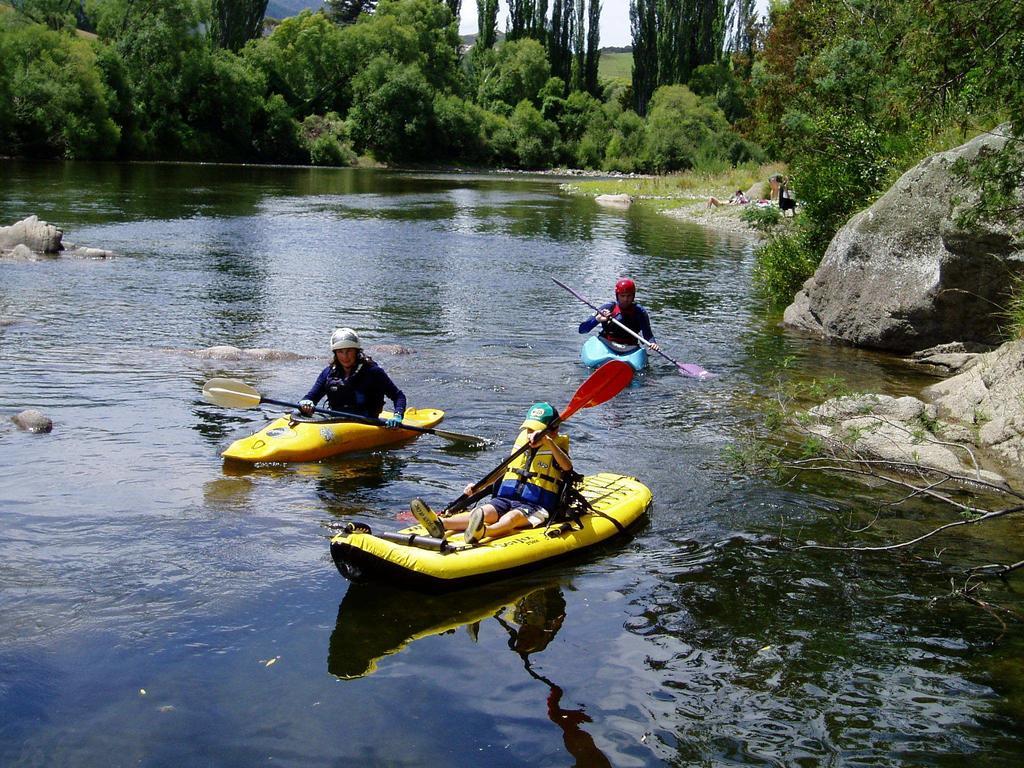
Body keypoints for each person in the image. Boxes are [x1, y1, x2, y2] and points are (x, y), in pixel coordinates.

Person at [410, 402, 572, 544]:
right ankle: (440, 524)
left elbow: (567, 467)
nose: (531, 434)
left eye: (536, 430)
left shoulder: (556, 447)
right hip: (507, 498)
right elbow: (503, 470)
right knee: (482, 512)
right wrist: (479, 487)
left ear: (553, 431)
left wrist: (548, 442)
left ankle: (484, 532)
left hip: (536, 505)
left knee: (510, 518)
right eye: (529, 429)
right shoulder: (523, 442)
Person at [298, 327, 407, 428]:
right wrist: (306, 403)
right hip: (337, 421)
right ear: (335, 353)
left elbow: (398, 396)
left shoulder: (373, 372)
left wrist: (397, 415)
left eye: (349, 351)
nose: (345, 357)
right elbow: (310, 397)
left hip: (367, 423)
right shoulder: (328, 373)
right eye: (340, 352)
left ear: (356, 351)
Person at [577, 277, 661, 352]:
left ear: (633, 296)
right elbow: (582, 330)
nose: (626, 299)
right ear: (617, 296)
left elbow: (648, 335)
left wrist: (652, 343)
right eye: (623, 296)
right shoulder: (608, 308)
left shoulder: (640, 312)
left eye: (629, 296)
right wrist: (597, 320)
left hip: (630, 347)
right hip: (606, 344)